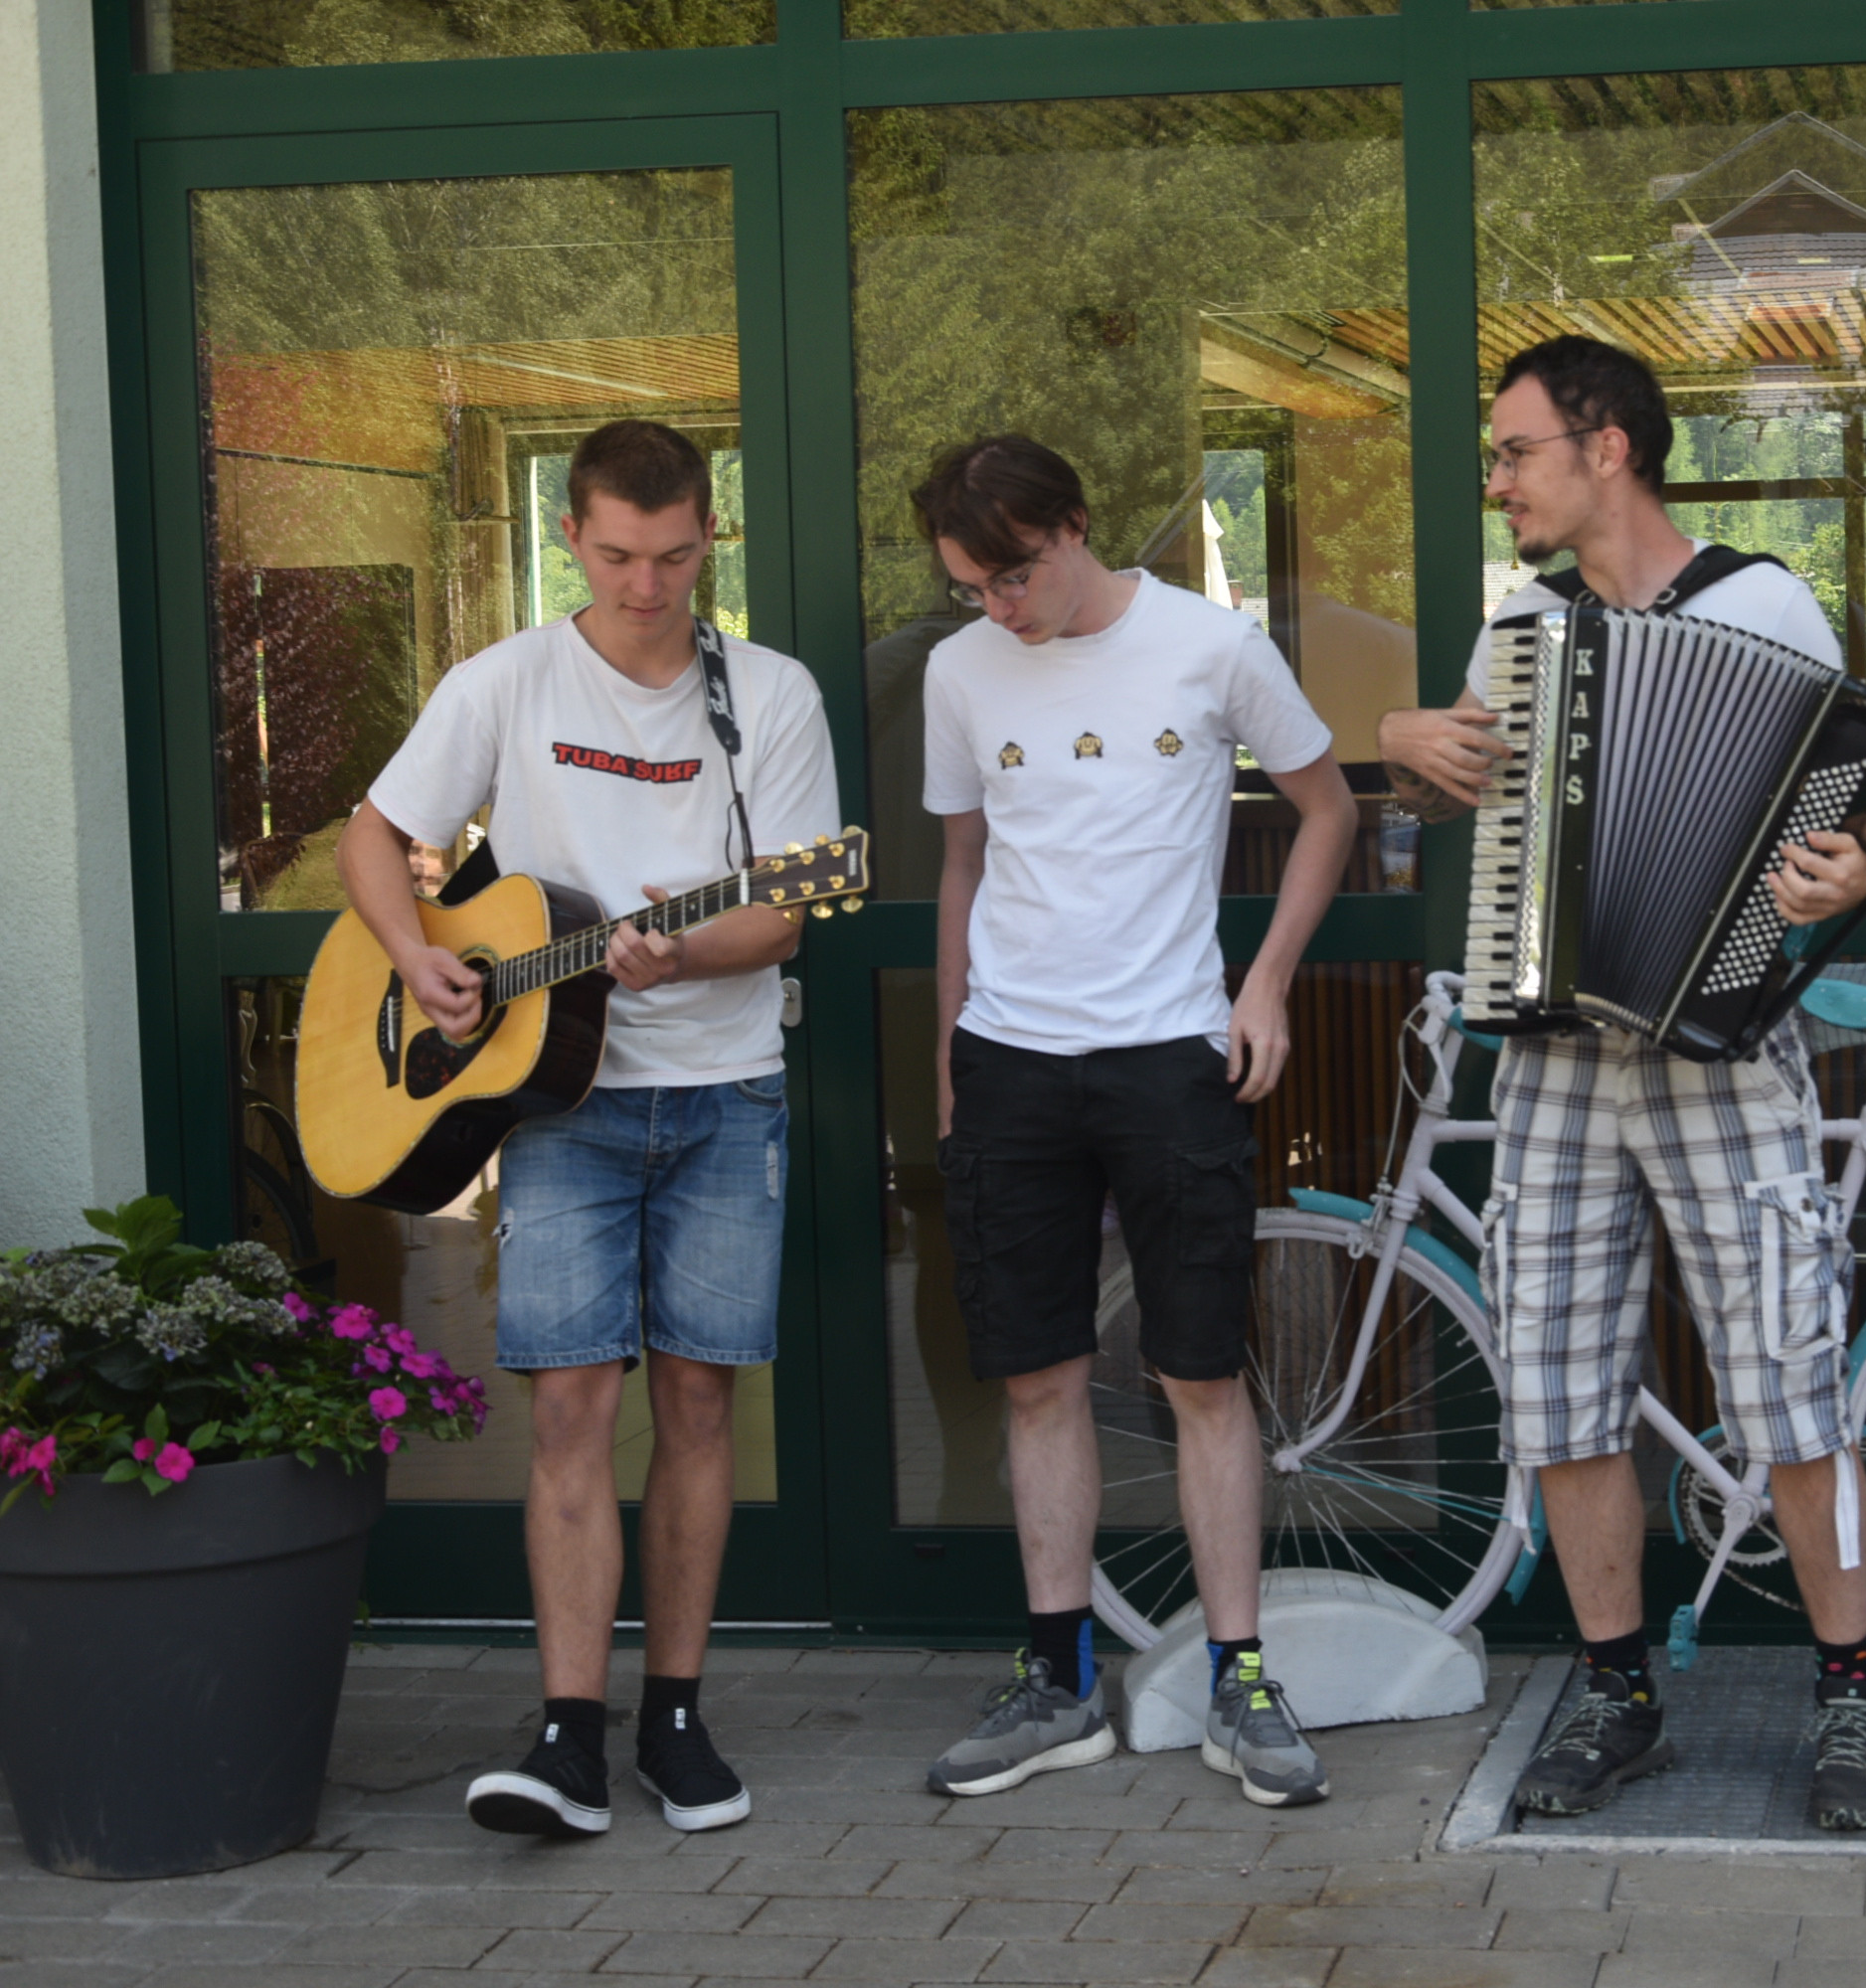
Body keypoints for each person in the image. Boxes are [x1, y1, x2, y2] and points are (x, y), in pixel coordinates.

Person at [1376, 335, 1866, 1832]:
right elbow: (1460, 812)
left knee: (1791, 1388)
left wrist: (1839, 878)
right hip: (1553, 1053)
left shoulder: (1764, 607)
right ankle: (1615, 1692)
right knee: (1557, 1384)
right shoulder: (1515, 632)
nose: (1500, 481)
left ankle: (1850, 1696)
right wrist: (1400, 747)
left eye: (1516, 452)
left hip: (1720, 1052)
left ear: (1607, 448)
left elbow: (1846, 827)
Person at [336, 417, 844, 1839]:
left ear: (709, 539)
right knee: (571, 1406)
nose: (646, 585)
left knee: (697, 1407)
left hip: (725, 1092)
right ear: (573, 536)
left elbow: (791, 904)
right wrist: (410, 954)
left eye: (676, 556)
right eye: (619, 556)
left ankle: (673, 1718)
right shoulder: (505, 681)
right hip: (556, 1102)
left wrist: (682, 955)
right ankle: (567, 1735)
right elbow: (373, 836)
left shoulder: (772, 695)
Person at [914, 434, 1358, 1810]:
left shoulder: (1212, 647)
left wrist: (1266, 982)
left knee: (1202, 1375)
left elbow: (1328, 809)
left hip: (1173, 1051)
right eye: (969, 585)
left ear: (1076, 525)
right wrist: (950, 1054)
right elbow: (962, 864)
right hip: (1012, 1059)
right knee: (1038, 1375)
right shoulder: (958, 670)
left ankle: (1241, 1680)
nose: (998, 605)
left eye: (1012, 573)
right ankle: (1060, 1682)